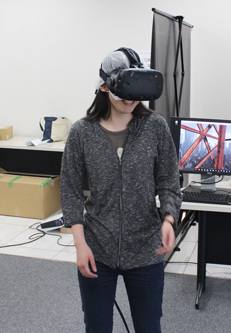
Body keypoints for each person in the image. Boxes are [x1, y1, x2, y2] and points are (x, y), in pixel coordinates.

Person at [60, 48, 182, 333]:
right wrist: (80, 245)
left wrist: (169, 219)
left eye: (136, 91)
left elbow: (168, 180)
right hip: (97, 248)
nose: (130, 99)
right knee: (97, 327)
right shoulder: (82, 132)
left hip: (145, 248)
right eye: (123, 91)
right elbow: (70, 190)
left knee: (148, 326)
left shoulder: (155, 127)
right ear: (104, 86)